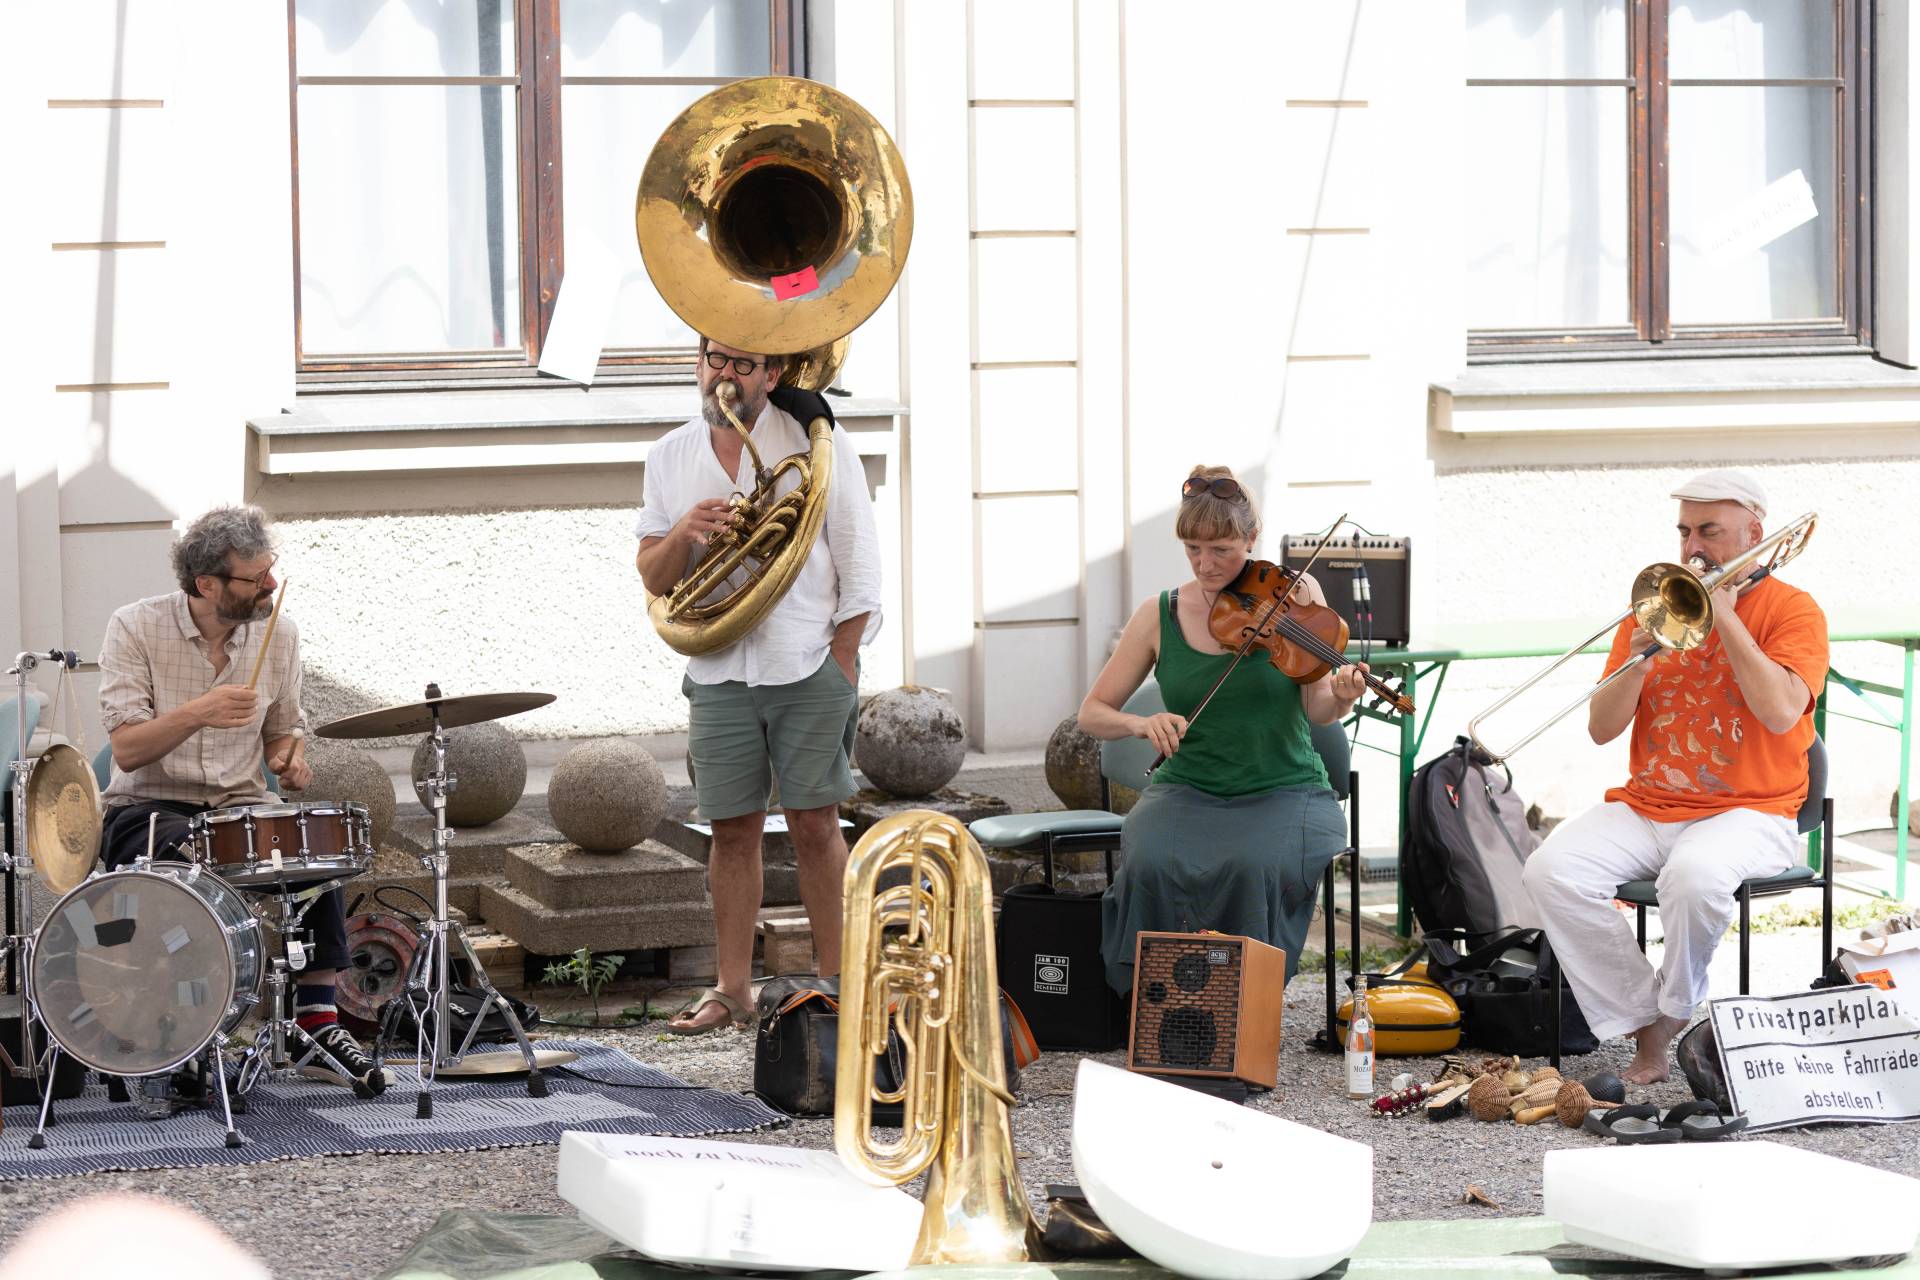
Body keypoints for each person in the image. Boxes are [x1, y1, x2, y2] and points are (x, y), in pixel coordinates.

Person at [1522, 469, 1826, 1084]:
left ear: (1755, 533)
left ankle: (1670, 1016)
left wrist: (1727, 619)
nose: (1692, 545)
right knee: (1550, 869)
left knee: (1694, 877)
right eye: (1685, 529)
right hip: (1649, 805)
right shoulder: (1656, 608)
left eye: (1709, 530)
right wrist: (1637, 660)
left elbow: (1779, 710)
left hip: (1757, 809)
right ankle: (1648, 1021)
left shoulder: (1794, 610)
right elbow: (1602, 729)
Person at [635, 336, 882, 1034]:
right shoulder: (669, 456)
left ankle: (837, 986)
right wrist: (683, 533)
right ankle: (733, 989)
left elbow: (861, 567)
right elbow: (654, 579)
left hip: (806, 660)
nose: (725, 375)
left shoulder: (820, 447)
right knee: (731, 831)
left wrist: (843, 656)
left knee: (813, 824)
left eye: (743, 364)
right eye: (715, 358)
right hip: (718, 669)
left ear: (772, 374)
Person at [96, 505, 382, 1093]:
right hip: (148, 806)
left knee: (316, 846)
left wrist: (288, 756)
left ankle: (317, 1020)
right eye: (255, 578)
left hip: (236, 808)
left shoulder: (281, 634)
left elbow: (284, 728)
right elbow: (127, 749)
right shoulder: (133, 627)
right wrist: (201, 710)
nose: (271, 586)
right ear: (207, 584)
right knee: (181, 863)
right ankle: (186, 1032)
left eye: (270, 571)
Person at [1078, 466, 1370, 996]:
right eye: (1193, 549)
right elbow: (1092, 712)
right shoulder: (1158, 613)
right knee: (1149, 859)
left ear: (1252, 540)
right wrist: (1142, 722)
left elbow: (1319, 707)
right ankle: (1162, 1005)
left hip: (1283, 790)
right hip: (1189, 788)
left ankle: (1241, 1007)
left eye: (1223, 550)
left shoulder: (1296, 601)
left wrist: (1343, 694)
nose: (1206, 565)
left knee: (1252, 866)